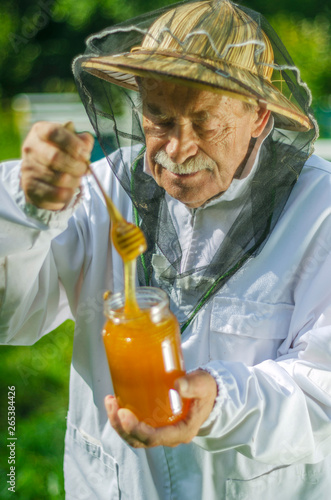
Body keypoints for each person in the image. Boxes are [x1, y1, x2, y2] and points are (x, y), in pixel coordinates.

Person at [1, 0, 331, 498]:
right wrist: (26, 209)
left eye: (204, 122)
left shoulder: (321, 213)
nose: (178, 149)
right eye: (159, 118)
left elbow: (322, 394)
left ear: (259, 116)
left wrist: (219, 399)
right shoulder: (103, 189)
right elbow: (13, 317)